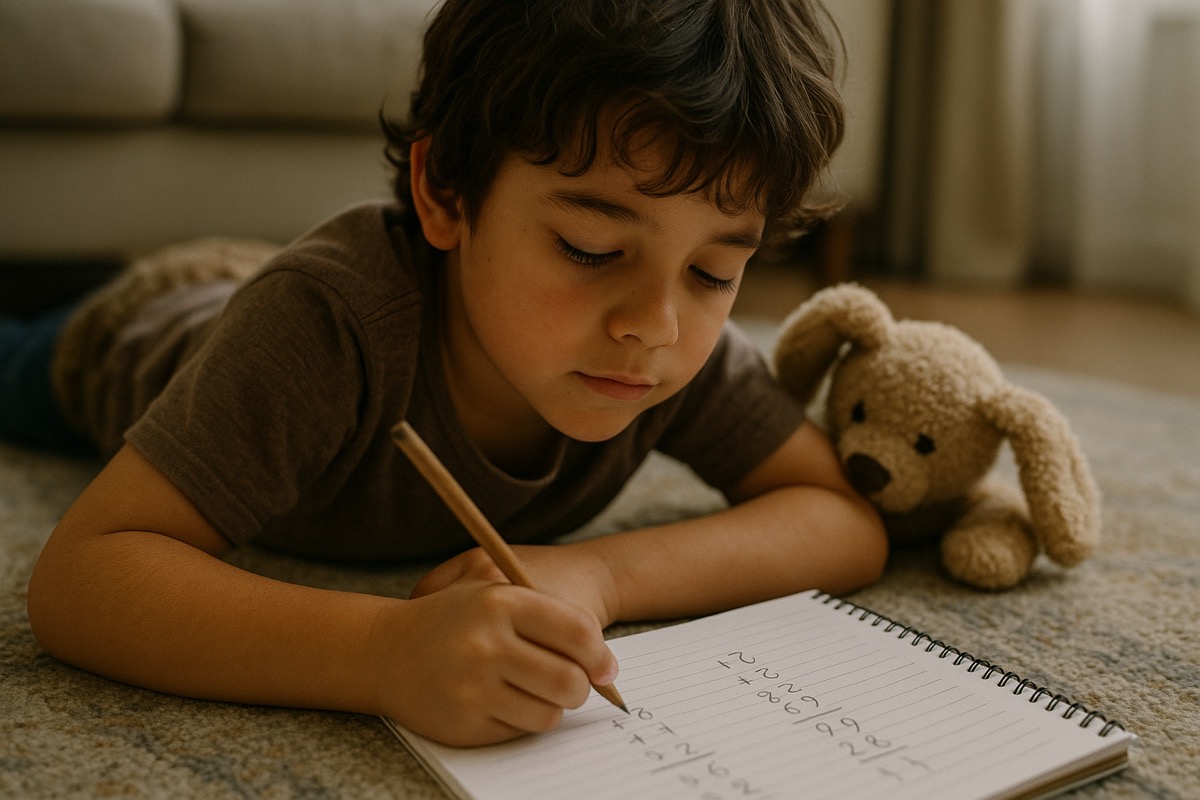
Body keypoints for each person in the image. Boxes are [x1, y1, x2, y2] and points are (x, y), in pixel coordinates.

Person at [21, 0, 886, 747]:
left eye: (713, 273)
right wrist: (382, 652)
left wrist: (603, 574)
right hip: (130, 333)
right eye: (591, 249)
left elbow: (840, 520)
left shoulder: (676, 352)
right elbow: (81, 579)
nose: (655, 326)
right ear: (444, 194)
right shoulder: (323, 328)